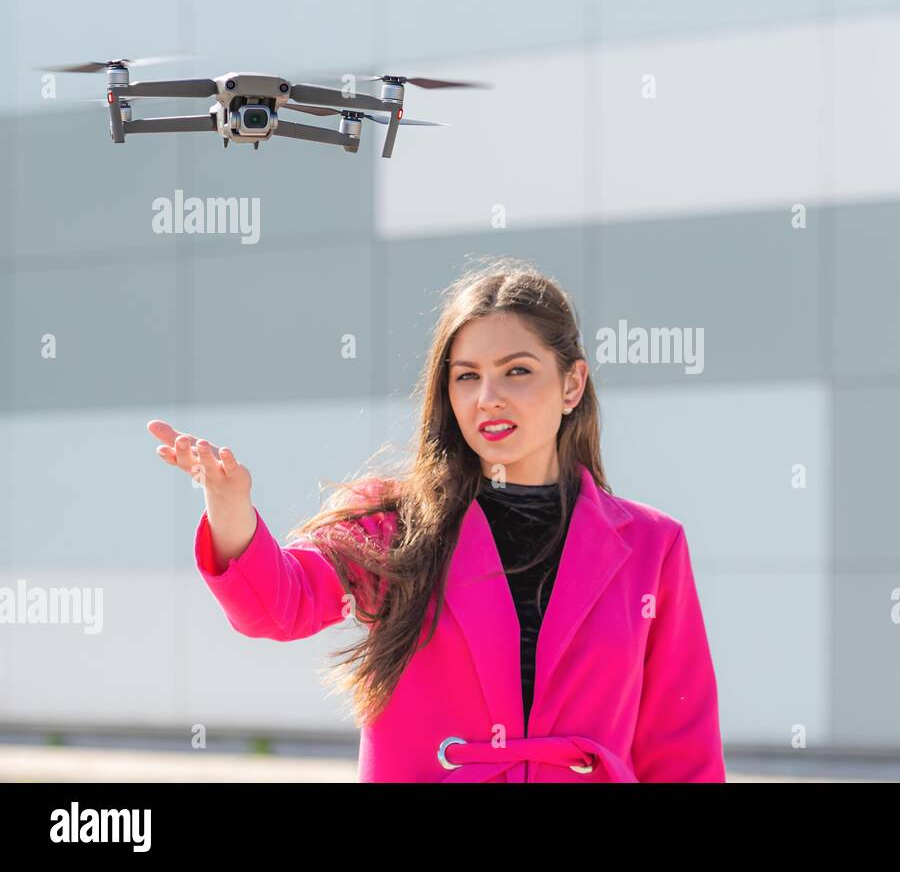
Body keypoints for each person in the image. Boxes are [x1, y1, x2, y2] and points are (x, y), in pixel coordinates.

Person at [146, 257, 726, 783]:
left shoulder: (653, 547)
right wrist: (229, 511)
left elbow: (682, 751)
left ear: (572, 383)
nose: (487, 397)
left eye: (517, 371)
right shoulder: (394, 523)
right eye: (467, 375)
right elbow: (280, 603)